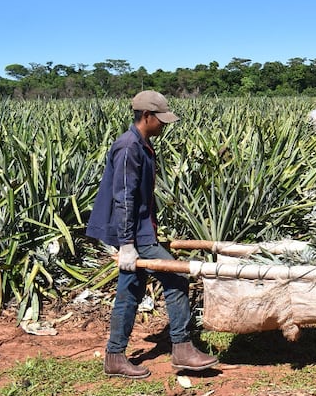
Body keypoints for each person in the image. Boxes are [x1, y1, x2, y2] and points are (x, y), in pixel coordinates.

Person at [87, 90, 218, 378]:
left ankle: (114, 357)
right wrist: (127, 244)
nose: (164, 125)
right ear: (146, 116)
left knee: (129, 293)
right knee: (177, 281)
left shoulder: (142, 144)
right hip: (135, 234)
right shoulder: (128, 147)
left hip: (141, 231)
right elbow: (124, 198)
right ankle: (182, 349)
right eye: (161, 119)